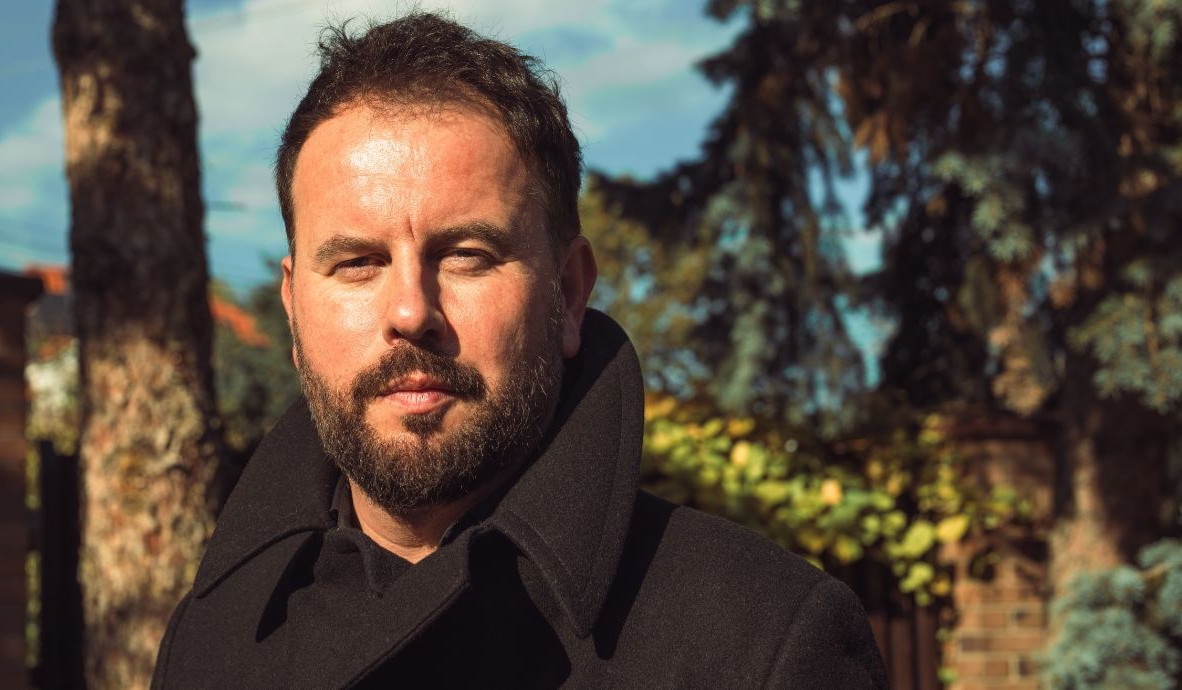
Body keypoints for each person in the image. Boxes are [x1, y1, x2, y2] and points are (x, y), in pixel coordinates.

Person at [152, 12, 888, 689]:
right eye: (356, 263)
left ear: (567, 293)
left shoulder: (764, 640)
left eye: (467, 255)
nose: (411, 312)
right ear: (293, 310)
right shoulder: (210, 639)